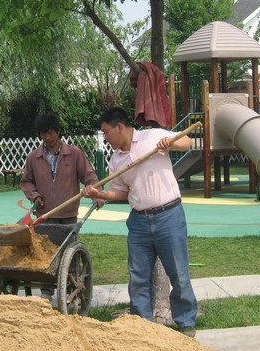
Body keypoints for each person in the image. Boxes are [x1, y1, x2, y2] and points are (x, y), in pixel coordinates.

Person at [81, 107, 198, 337]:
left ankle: (186, 323)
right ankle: (142, 327)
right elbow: (120, 192)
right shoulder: (116, 160)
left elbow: (188, 141)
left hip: (169, 216)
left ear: (120, 127)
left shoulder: (152, 137)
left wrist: (171, 144)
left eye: (106, 132)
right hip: (139, 223)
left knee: (179, 273)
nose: (105, 137)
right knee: (138, 277)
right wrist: (99, 194)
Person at [20, 113, 100, 300]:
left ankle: (71, 290)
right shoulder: (34, 157)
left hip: (68, 214)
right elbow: (27, 182)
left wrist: (98, 194)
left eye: (50, 133)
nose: (47, 138)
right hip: (45, 214)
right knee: (46, 255)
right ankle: (46, 293)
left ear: (58, 131)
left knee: (69, 255)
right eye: (43, 134)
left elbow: (89, 176)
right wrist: (35, 195)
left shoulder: (74, 154)